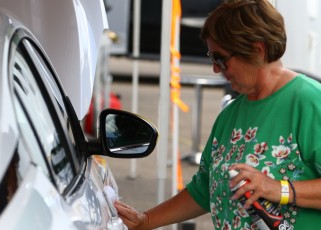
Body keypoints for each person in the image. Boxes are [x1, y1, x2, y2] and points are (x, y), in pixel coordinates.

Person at [114, 0, 321, 229]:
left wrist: (279, 189)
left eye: (221, 58)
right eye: (212, 58)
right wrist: (147, 220)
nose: (215, 68)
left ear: (257, 49)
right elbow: (204, 189)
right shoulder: (230, 114)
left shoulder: (309, 102)